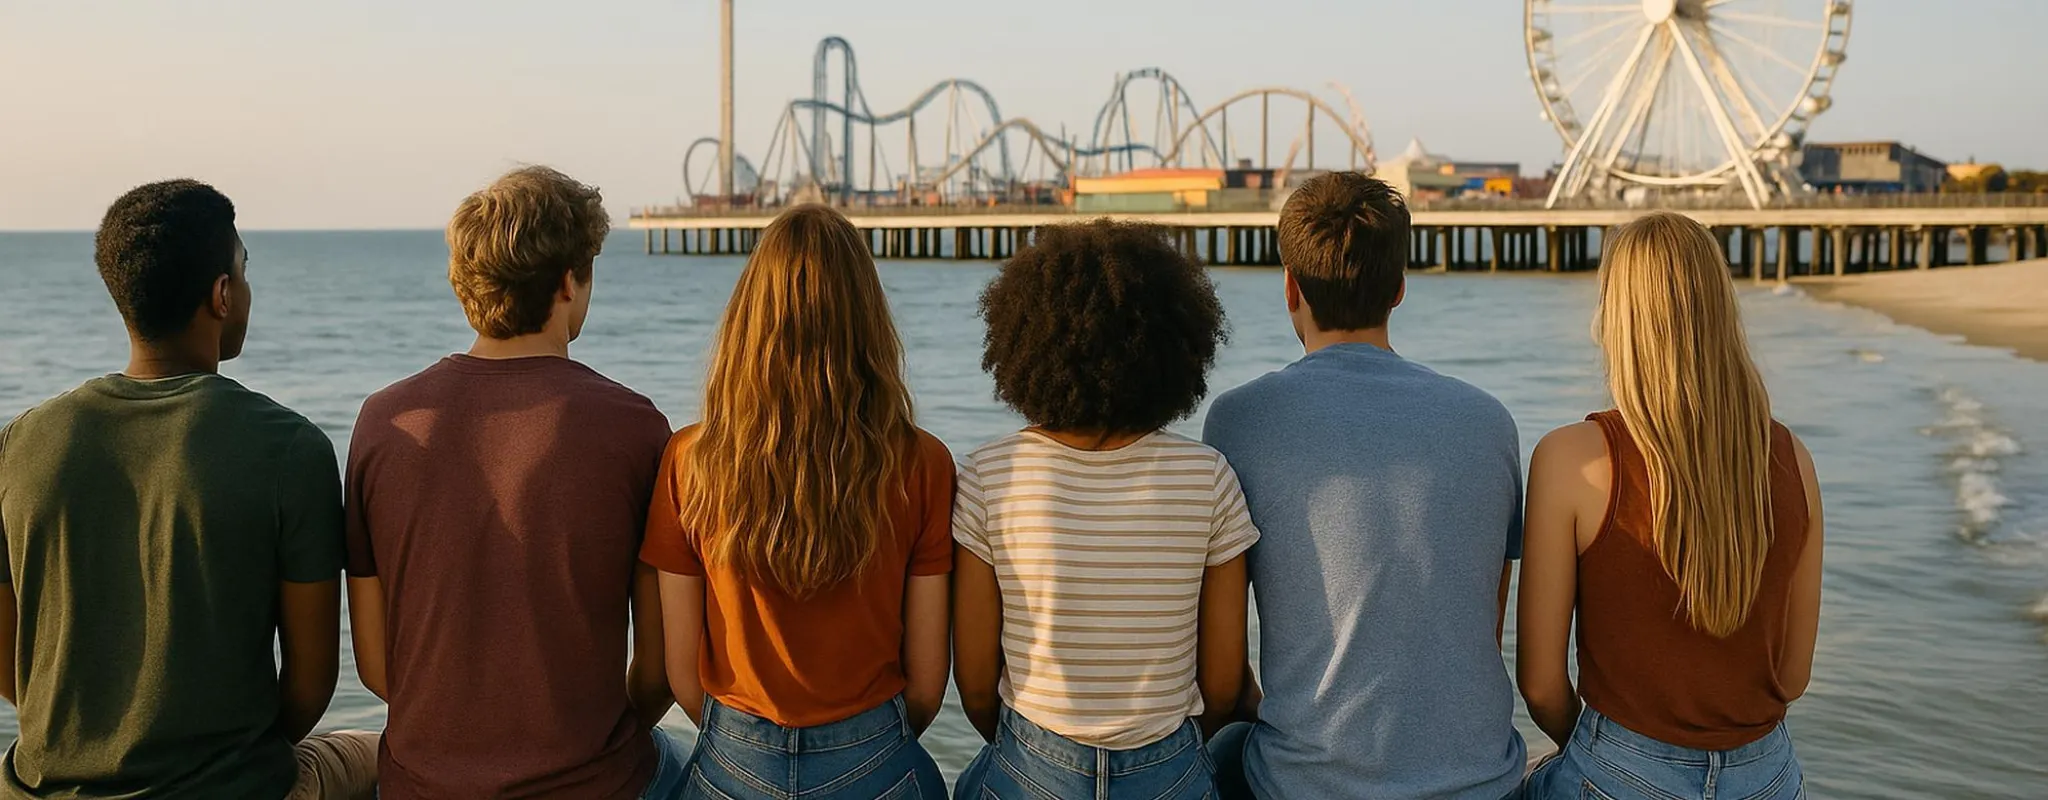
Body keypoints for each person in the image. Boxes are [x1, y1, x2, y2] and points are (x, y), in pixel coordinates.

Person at [0, 180, 377, 799]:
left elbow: (13, 666)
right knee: (383, 751)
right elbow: (309, 686)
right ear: (222, 294)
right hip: (232, 788)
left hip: (43, 789)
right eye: (243, 273)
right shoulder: (290, 447)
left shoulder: (22, 443)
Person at [344, 167, 683, 799]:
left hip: (422, 786)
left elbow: (376, 666)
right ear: (567, 283)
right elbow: (659, 670)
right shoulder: (634, 426)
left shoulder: (383, 422)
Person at [1201, 172, 1526, 800]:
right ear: (1399, 288)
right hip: (1483, 781)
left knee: (1231, 746)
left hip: (1304, 786)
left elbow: (1223, 666)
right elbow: (1483, 624)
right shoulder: (1489, 420)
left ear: (1290, 288)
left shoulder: (1238, 419)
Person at [641, 204, 953, 799]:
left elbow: (682, 672)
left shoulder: (691, 460)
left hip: (734, 760)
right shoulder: (922, 462)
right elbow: (927, 686)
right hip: (875, 759)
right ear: (868, 321)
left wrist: (742, 748)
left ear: (749, 321)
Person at [1518, 212, 1824, 799]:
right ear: (1722, 311)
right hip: (1767, 777)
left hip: (1620, 770)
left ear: (1616, 319)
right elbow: (1791, 677)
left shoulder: (1570, 458)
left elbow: (1540, 686)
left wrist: (1609, 755)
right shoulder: (1795, 460)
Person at [951, 221, 1258, 800]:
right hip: (1168, 770)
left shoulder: (989, 476)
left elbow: (974, 685)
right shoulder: (1208, 476)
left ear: (1024, 343)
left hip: (1031, 765)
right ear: (1173, 344)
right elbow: (1222, 684)